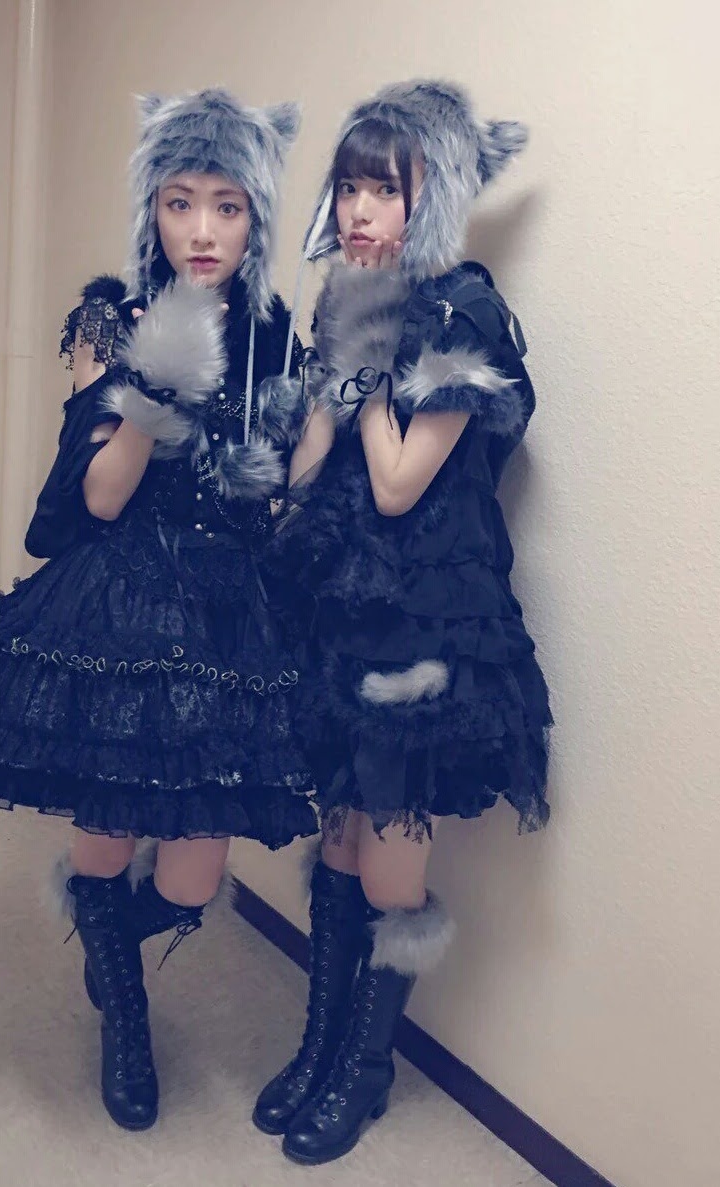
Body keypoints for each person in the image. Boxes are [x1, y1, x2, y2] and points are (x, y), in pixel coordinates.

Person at [0, 88, 316, 1131]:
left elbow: (283, 484)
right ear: (152, 208)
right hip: (120, 601)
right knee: (104, 834)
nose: (202, 229)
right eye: (180, 201)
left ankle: (110, 946)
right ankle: (127, 1018)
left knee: (191, 877)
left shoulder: (273, 338)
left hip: (225, 613)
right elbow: (99, 496)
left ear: (255, 217)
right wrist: (154, 387)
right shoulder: (111, 317)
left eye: (228, 205)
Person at [253, 79, 553, 1165]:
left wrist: (368, 350)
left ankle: (365, 1066)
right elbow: (310, 469)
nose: (359, 210)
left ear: (432, 198)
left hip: (424, 623)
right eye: (349, 187)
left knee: (387, 860)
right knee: (337, 833)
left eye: (384, 188)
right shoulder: (354, 302)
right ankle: (320, 1047)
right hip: (343, 610)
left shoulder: (461, 315)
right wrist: (322, 377)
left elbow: (392, 482)